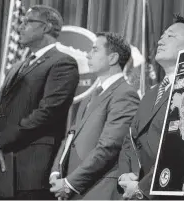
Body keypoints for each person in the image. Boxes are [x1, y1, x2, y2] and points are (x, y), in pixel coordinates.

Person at [0, 5, 79, 200]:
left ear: (46, 27)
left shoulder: (62, 63)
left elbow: (47, 113)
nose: (20, 27)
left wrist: (0, 141)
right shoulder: (16, 67)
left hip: (30, 172)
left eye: (27, 22)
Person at [116, 14, 184, 200]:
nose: (161, 40)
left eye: (171, 36)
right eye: (162, 36)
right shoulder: (151, 92)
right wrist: (125, 175)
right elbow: (130, 140)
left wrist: (142, 187)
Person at [49, 32, 140, 200]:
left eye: (95, 50)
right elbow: (70, 137)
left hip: (98, 189)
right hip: (75, 188)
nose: (88, 54)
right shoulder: (93, 95)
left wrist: (70, 183)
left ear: (112, 58)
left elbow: (108, 147)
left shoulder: (125, 94)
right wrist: (57, 172)